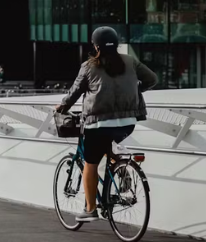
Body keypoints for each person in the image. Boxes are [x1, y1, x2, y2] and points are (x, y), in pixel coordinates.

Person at [56, 27, 157, 223]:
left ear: (95, 46)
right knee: (109, 145)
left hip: (98, 124)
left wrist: (62, 106)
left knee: (90, 164)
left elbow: (74, 93)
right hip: (128, 123)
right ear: (116, 44)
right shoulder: (130, 61)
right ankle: (120, 168)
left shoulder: (89, 66)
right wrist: (137, 91)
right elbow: (152, 79)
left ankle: (91, 209)